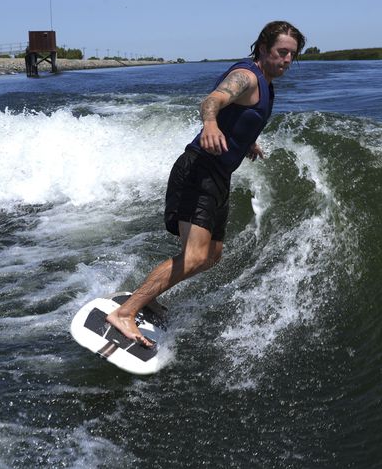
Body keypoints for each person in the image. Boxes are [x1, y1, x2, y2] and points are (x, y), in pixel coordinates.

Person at [106, 21, 306, 346]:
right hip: (199, 169)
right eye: (281, 52)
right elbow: (212, 101)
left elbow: (243, 117)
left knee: (211, 255)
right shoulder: (248, 77)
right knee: (195, 256)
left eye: (292, 55)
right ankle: (125, 313)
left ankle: (148, 296)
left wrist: (247, 142)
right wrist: (211, 123)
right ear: (263, 48)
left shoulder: (267, 84)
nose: (286, 60)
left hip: (218, 177)